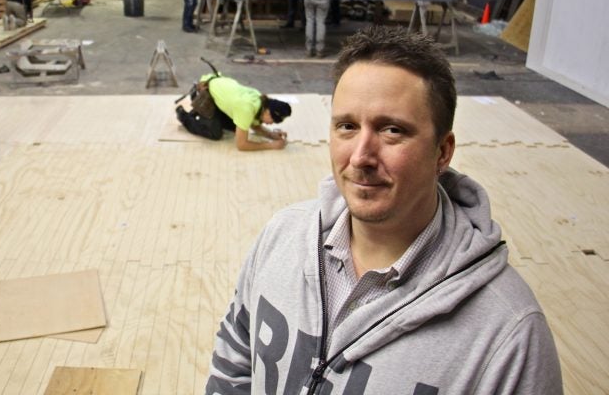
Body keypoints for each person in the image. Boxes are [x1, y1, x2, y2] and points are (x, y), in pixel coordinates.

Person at [206, 26, 562, 394]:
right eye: (347, 126)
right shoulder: (282, 237)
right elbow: (233, 363)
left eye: (392, 130)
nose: (360, 157)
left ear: (443, 151)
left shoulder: (508, 335)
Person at [176, 72, 292, 151]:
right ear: (267, 111)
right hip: (206, 91)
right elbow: (241, 145)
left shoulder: (260, 101)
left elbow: (254, 125)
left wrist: (271, 135)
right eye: (273, 120)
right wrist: (271, 146)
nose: (272, 123)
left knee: (236, 127)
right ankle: (184, 116)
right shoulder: (247, 108)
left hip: (220, 88)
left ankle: (207, 113)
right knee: (215, 134)